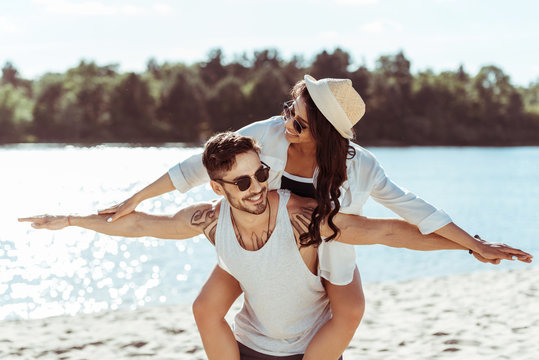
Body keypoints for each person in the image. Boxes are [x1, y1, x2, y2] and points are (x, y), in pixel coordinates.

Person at [98, 75, 532, 358]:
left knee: (349, 307)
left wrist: (473, 244)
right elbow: (197, 167)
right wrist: (132, 200)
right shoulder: (267, 133)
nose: (287, 123)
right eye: (289, 110)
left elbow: (411, 211)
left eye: (300, 123)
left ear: (325, 132)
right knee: (212, 305)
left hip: (330, 246)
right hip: (270, 245)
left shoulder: (361, 167)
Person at [19, 132, 532, 359]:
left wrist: (472, 247)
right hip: (247, 349)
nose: (257, 186)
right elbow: (138, 227)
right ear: (218, 188)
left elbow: (389, 232)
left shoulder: (306, 219)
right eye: (241, 182)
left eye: (261, 173)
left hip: (308, 352)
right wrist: (70, 220)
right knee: (205, 309)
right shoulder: (208, 220)